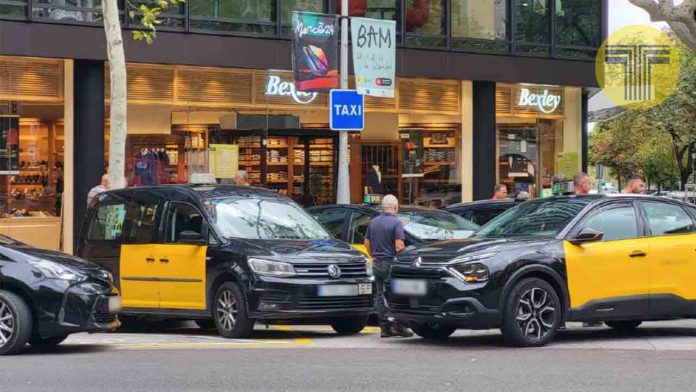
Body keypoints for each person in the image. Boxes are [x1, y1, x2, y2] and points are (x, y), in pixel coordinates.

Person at [364, 194, 413, 338]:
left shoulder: (373, 222)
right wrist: (404, 260)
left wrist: (373, 255)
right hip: (391, 263)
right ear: (395, 207)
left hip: (377, 263)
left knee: (380, 295)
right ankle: (400, 325)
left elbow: (366, 243)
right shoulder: (396, 223)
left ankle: (384, 327)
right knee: (400, 293)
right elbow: (399, 245)